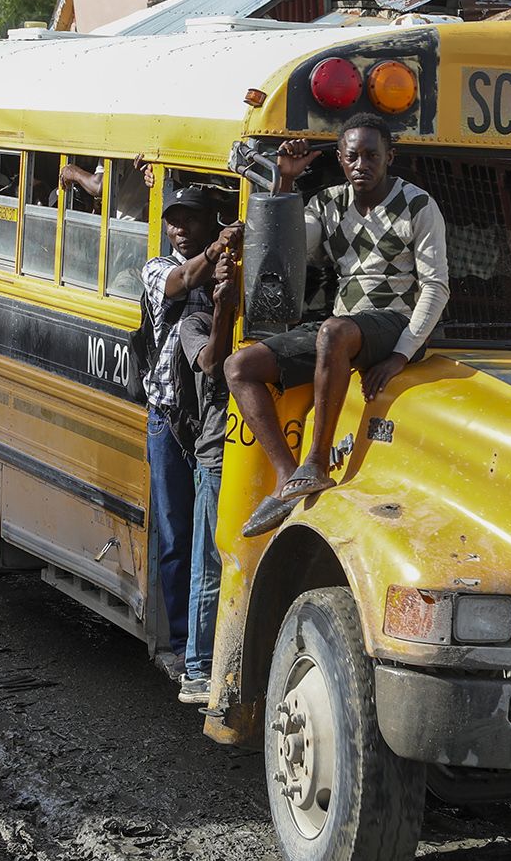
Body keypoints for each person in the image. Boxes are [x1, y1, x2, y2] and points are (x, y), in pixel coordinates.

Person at [225, 113, 450, 537]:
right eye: (353, 157)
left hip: (396, 321)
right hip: (346, 326)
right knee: (239, 368)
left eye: (372, 155)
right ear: (342, 163)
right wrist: (285, 182)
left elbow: (436, 286)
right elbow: (287, 251)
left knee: (333, 330)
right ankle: (289, 476)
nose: (362, 164)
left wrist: (402, 353)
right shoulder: (327, 203)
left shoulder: (417, 204)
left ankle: (317, 460)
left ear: (390, 158)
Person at [141, 184, 240, 672]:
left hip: (214, 425)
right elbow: (181, 280)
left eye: (191, 220)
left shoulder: (226, 273)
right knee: (177, 534)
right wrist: (219, 247)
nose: (179, 228)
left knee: (212, 538)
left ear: (209, 221)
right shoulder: (159, 268)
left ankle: (214, 639)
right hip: (169, 417)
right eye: (173, 221)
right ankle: (182, 642)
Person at [173, 240, 236, 704]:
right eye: (225, 276)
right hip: (216, 453)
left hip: (250, 454)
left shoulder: (266, 325)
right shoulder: (193, 323)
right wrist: (223, 310)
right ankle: (196, 666)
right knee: (209, 563)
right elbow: (213, 364)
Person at [59, 154, 153, 221]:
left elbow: (99, 186)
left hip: (125, 225)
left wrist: (74, 173)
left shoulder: (114, 139)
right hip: (147, 223)